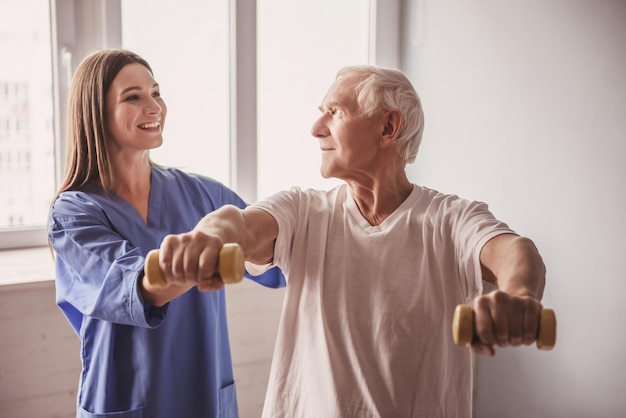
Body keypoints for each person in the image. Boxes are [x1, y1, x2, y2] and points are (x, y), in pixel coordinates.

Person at [153, 65, 547, 417]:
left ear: (387, 128)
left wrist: (519, 296)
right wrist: (207, 237)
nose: (316, 128)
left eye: (335, 112)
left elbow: (514, 250)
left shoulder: (450, 219)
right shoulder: (304, 210)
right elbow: (240, 224)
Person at [47, 48, 284, 418]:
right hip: (125, 400)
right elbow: (138, 287)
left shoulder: (205, 194)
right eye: (134, 97)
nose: (154, 106)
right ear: (96, 112)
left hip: (205, 396)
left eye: (156, 93)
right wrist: (207, 260)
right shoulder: (73, 212)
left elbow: (276, 255)